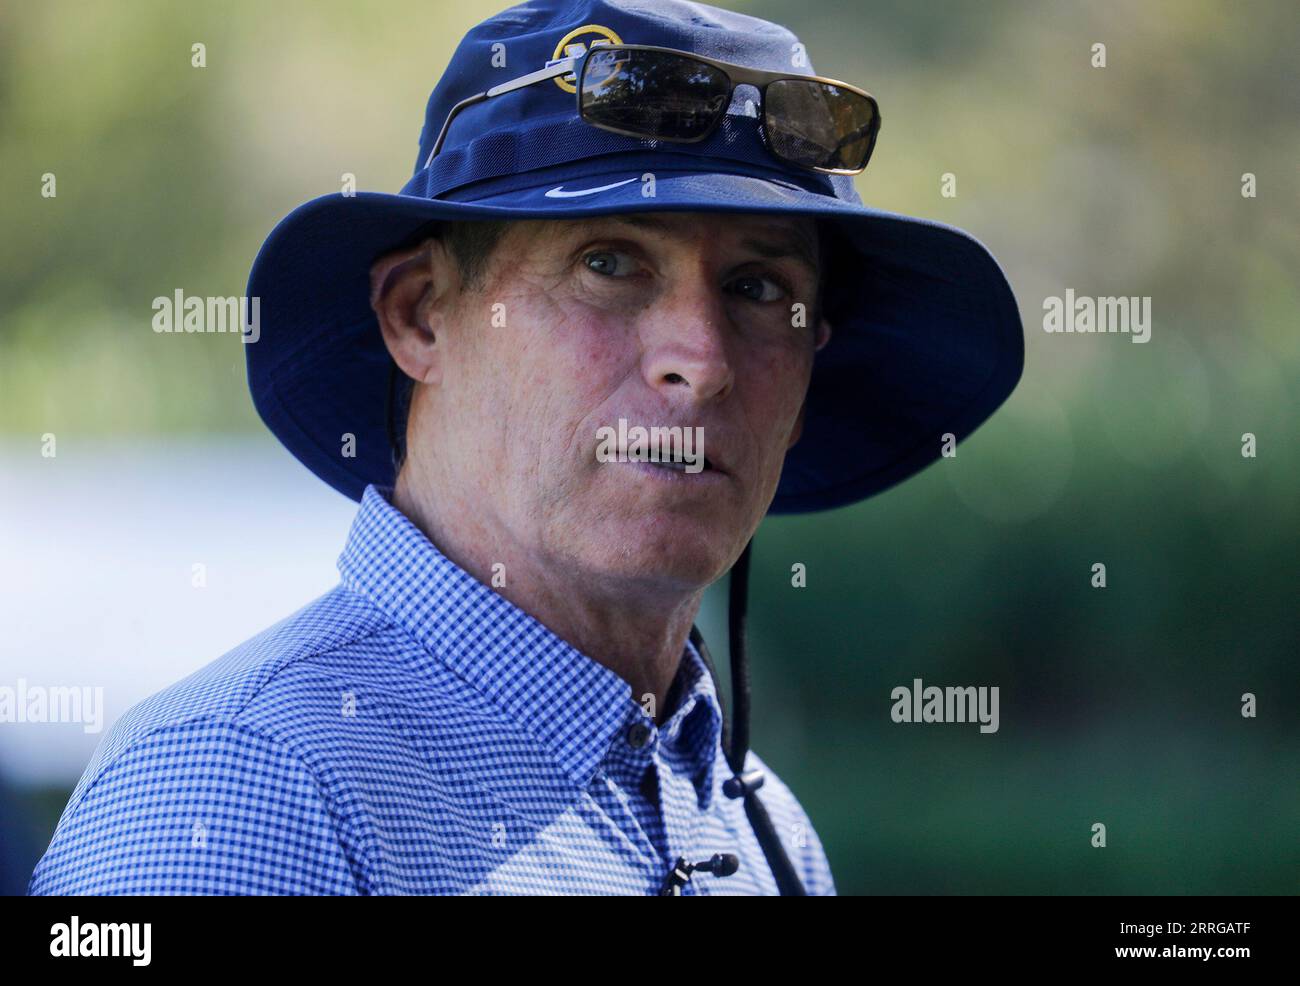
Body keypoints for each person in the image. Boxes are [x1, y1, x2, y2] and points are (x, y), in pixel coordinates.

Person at [29, 0, 1022, 895]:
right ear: (420, 315)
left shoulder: (764, 828)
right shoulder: (245, 789)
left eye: (759, 288)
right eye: (609, 262)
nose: (702, 358)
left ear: (806, 379)